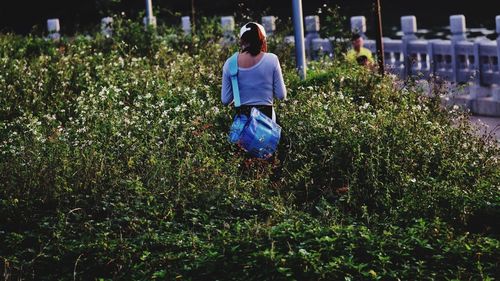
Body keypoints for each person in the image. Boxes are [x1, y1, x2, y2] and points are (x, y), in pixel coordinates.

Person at [221, 22, 286, 121]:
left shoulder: (230, 63)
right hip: (267, 123)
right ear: (263, 40)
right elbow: (281, 95)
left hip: (243, 124)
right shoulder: (272, 59)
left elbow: (225, 100)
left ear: (242, 41)